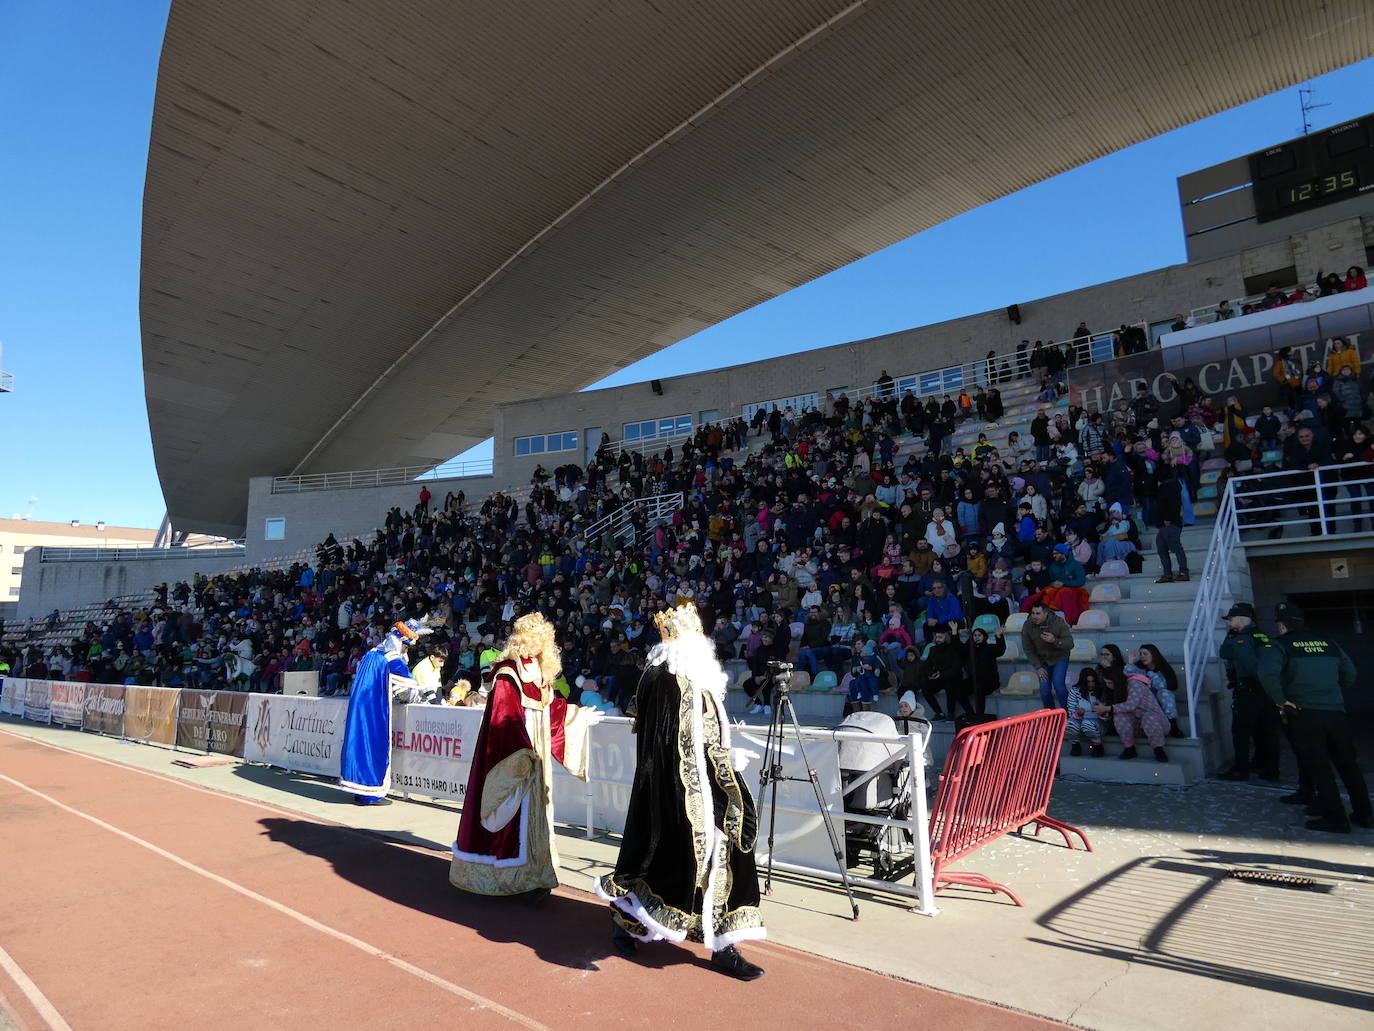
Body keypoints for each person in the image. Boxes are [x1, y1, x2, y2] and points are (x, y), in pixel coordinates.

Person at [596, 603, 767, 981]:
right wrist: (723, 759)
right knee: (663, 863)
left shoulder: (693, 678)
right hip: (680, 792)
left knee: (723, 860)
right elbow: (676, 746)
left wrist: (723, 758)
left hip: (712, 788)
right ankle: (628, 922)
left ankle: (723, 944)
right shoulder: (666, 680)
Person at [450, 613, 603, 896]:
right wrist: (523, 755)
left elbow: (552, 708)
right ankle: (510, 877)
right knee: (512, 811)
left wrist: (576, 716)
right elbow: (503, 719)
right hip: (518, 758)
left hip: (535, 757)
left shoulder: (539, 672)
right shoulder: (508, 673)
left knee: (535, 813)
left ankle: (534, 873)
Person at [1257, 602, 1371, 833]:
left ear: (1281, 625)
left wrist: (1280, 700)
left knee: (1319, 767)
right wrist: (1331, 692)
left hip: (1304, 713)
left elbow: (1267, 674)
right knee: (1349, 766)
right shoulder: (1329, 643)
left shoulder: (1278, 645)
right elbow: (1350, 674)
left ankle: (1335, 818)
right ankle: (1365, 814)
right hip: (1335, 712)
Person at [339, 617, 433, 804]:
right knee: (373, 745)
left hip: (359, 706)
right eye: (407, 647)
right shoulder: (391, 658)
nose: (407, 651)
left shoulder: (371, 653)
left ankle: (358, 788)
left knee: (357, 743)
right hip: (374, 709)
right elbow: (408, 689)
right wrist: (423, 699)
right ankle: (370, 792)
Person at [1217, 603, 1281, 782]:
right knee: (1266, 732)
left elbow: (1228, 654)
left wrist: (1232, 635)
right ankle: (1270, 768)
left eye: (1231, 620)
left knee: (1241, 731)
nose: (1229, 624)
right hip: (1267, 692)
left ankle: (1241, 769)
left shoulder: (1242, 638)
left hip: (1249, 690)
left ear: (1241, 619)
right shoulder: (1262, 635)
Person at [1094, 668, 1168, 762]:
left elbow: (1131, 705)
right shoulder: (1116, 691)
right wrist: (1103, 712)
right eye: (1106, 683)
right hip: (1137, 725)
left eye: (1110, 683)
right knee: (1120, 717)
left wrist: (1108, 708)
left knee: (1148, 717)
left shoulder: (1135, 684)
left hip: (1157, 723)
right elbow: (1118, 709)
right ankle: (1129, 748)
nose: (1108, 686)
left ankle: (1159, 750)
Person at [1021, 600, 1072, 710]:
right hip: (1042, 660)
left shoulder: (1058, 622)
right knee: (1044, 690)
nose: (1034, 616)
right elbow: (1028, 649)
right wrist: (1038, 667)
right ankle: (1051, 718)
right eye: (1033, 613)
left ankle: (1068, 715)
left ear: (1046, 613)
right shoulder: (1027, 625)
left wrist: (1054, 640)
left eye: (1038, 613)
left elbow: (1070, 643)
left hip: (1060, 657)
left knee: (1059, 685)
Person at [1065, 669, 1105, 757]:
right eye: (1088, 682)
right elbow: (1071, 711)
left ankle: (1097, 745)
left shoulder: (1101, 690)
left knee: (1087, 724)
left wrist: (1102, 711)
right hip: (1079, 721)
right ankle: (1075, 745)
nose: (1091, 684)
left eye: (1093, 681)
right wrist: (1078, 713)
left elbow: (1108, 715)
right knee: (1068, 724)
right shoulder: (1075, 691)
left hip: (1097, 722)